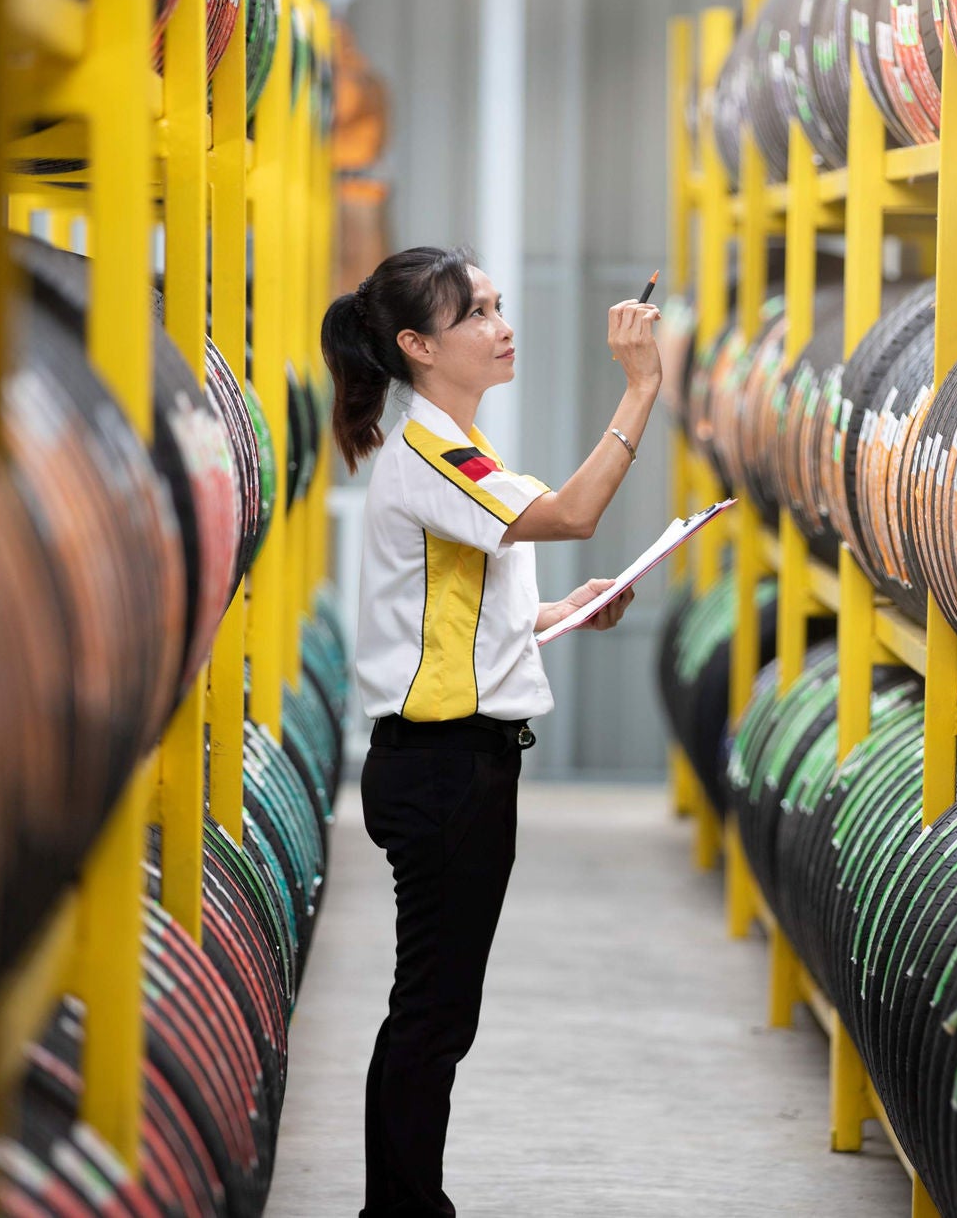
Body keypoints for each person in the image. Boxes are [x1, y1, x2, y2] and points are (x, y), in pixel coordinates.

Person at [321, 246, 663, 1218]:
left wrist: (560, 611)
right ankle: (401, 1210)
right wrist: (638, 390)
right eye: (473, 312)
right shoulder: (434, 456)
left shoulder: (452, 454)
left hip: (451, 762)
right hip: (442, 771)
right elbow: (576, 510)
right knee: (431, 1012)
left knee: (434, 1009)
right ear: (418, 346)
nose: (499, 325)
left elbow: (463, 623)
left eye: (499, 305)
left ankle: (402, 1205)